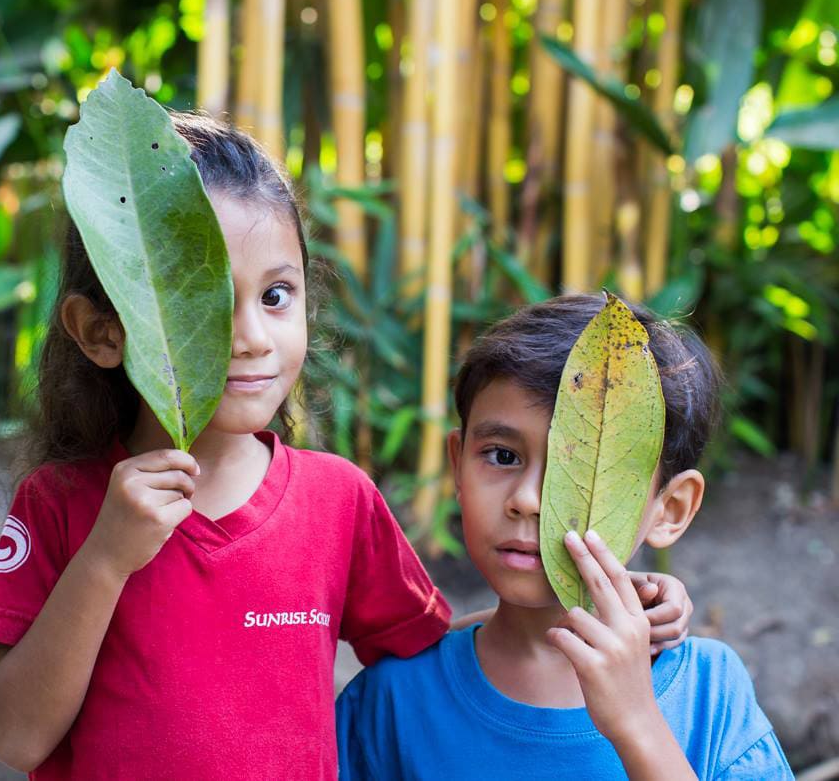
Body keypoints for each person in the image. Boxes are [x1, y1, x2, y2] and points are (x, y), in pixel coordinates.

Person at [0, 114, 694, 779]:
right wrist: (104, 558)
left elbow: (430, 644)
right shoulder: (62, 504)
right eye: (204, 302)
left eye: (275, 295)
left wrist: (597, 603)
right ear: (101, 329)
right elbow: (18, 737)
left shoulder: (337, 501)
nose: (251, 336)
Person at [336, 294, 793, 780]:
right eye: (502, 456)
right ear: (457, 464)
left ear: (670, 509)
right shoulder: (392, 702)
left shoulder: (707, 693)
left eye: (576, 472)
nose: (528, 499)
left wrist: (637, 724)